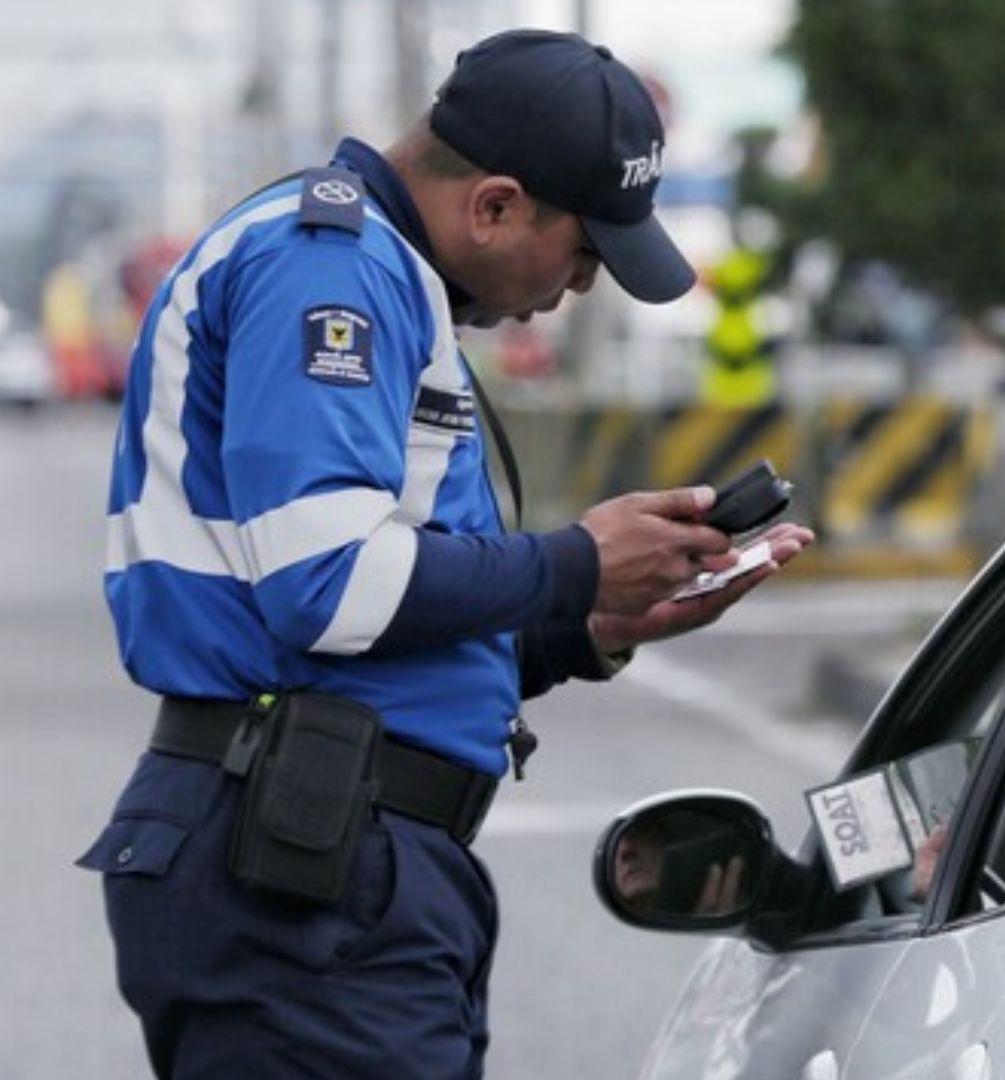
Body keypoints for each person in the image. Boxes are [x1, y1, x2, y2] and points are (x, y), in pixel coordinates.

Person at [75, 28, 813, 1077]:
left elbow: (377, 626)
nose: (583, 287)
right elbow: (326, 591)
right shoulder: (325, 270)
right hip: (299, 874)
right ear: (496, 204)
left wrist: (585, 625)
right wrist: (574, 562)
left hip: (329, 862)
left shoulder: (385, 278)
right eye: (586, 250)